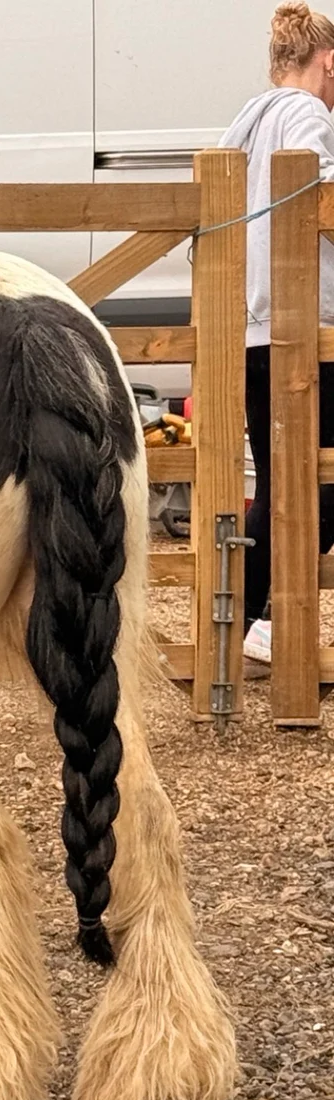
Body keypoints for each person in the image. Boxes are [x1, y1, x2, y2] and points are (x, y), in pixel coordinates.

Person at [220, 1, 334, 663]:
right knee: (314, 477)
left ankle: (240, 623)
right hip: (304, 325)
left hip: (249, 326)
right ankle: (263, 619)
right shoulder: (306, 113)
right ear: (328, 62)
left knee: (276, 480)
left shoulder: (245, 122)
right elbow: (314, 192)